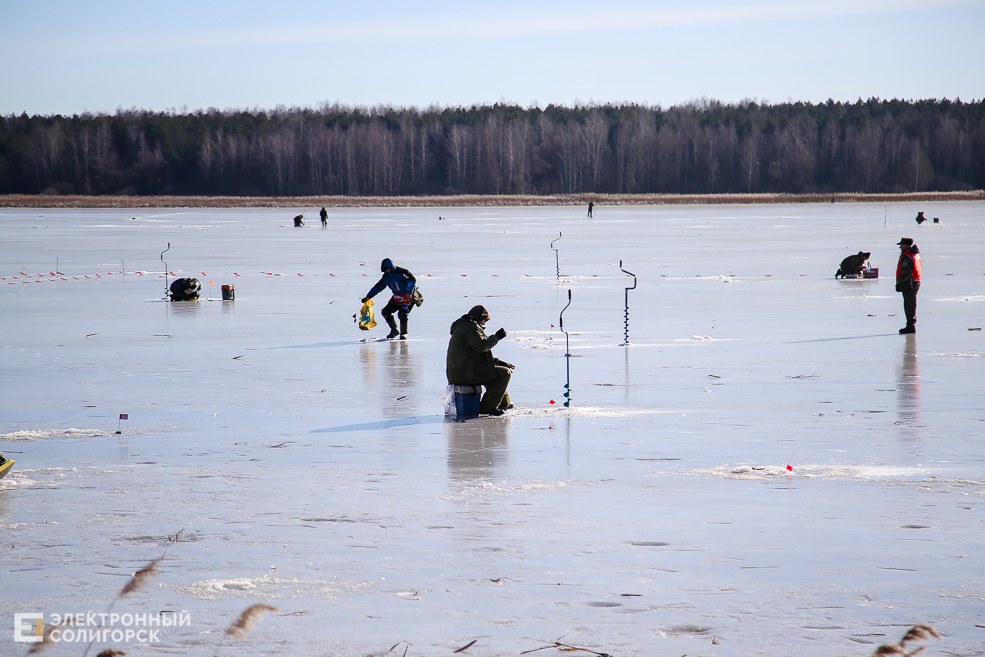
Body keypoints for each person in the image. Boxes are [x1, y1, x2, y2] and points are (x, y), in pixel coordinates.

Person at [446, 305, 514, 415]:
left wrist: (500, 362)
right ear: (478, 318)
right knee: (504, 373)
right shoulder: (470, 328)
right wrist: (497, 337)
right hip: (465, 373)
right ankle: (487, 407)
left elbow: (478, 355)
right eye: (484, 321)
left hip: (462, 371)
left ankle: (502, 404)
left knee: (495, 371)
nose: (484, 324)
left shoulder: (465, 326)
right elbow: (481, 346)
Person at [361, 258, 417, 339]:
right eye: (385, 270)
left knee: (402, 313)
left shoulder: (402, 272)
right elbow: (378, 287)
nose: (386, 271)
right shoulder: (386, 277)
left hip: (409, 297)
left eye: (387, 269)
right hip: (397, 298)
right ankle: (394, 330)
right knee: (385, 312)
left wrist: (409, 292)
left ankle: (404, 333)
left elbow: (412, 280)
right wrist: (368, 296)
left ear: (391, 267)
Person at [895, 237, 921, 334]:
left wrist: (900, 284)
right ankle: (911, 324)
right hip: (916, 280)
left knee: (909, 304)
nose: (900, 247)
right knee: (911, 303)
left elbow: (906, 271)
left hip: (909, 282)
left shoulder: (907, 255)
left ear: (905, 245)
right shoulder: (915, 254)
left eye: (901, 245)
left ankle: (910, 326)